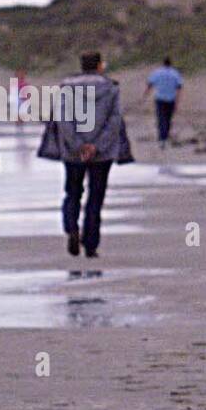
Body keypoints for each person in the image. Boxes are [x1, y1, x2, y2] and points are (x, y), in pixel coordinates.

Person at [38, 51, 133, 257]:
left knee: (72, 192)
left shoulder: (67, 87)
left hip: (72, 152)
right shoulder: (111, 88)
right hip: (103, 152)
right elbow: (114, 120)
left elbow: (63, 119)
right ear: (99, 66)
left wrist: (78, 145)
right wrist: (96, 146)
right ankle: (91, 244)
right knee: (95, 197)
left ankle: (72, 227)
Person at [143, 56, 184, 148]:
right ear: (170, 64)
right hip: (171, 99)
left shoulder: (157, 72)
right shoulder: (175, 73)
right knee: (168, 119)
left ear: (163, 63)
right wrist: (178, 101)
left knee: (161, 118)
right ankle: (164, 137)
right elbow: (179, 87)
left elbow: (150, 84)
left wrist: (145, 94)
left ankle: (162, 138)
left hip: (160, 99)